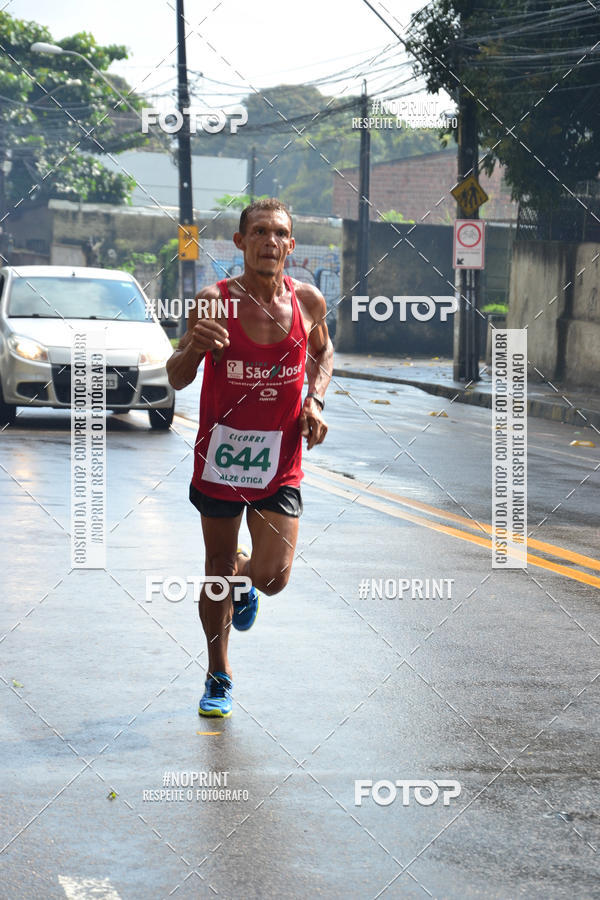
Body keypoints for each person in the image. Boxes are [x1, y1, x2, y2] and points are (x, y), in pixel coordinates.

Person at [167, 198, 333, 717]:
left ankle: (245, 584)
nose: (269, 241)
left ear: (290, 245)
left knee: (273, 575)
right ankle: (219, 675)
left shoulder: (308, 303)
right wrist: (195, 346)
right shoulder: (213, 302)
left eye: (279, 233)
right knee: (216, 564)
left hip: (279, 458)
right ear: (240, 243)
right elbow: (175, 376)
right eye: (258, 232)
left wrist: (314, 399)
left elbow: (324, 354)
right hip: (221, 457)